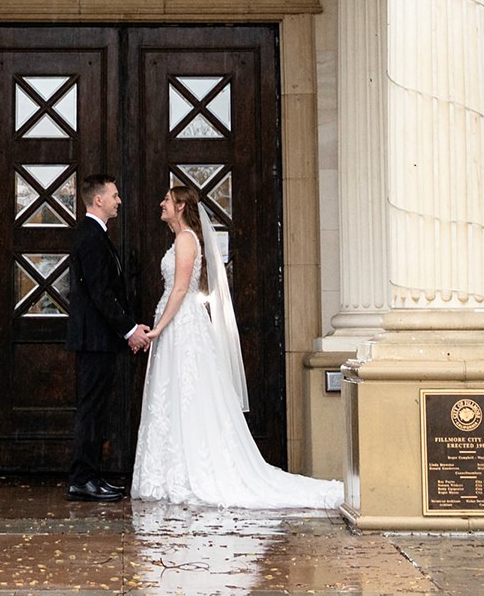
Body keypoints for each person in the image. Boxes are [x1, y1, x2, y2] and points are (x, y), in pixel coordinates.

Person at [129, 181, 344, 511]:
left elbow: (181, 289)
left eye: (167, 200)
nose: (162, 204)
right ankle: (169, 472)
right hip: (175, 326)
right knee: (171, 394)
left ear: (181, 206)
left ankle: (189, 472)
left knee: (187, 393)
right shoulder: (179, 241)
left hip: (181, 326)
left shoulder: (186, 241)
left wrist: (158, 328)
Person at [62, 173, 145, 501]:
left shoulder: (96, 235)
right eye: (114, 195)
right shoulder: (90, 237)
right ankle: (82, 478)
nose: (118, 200)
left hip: (98, 339)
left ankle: (90, 475)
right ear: (98, 200)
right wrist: (130, 330)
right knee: (91, 409)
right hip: (94, 340)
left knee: (95, 409)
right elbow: (101, 293)